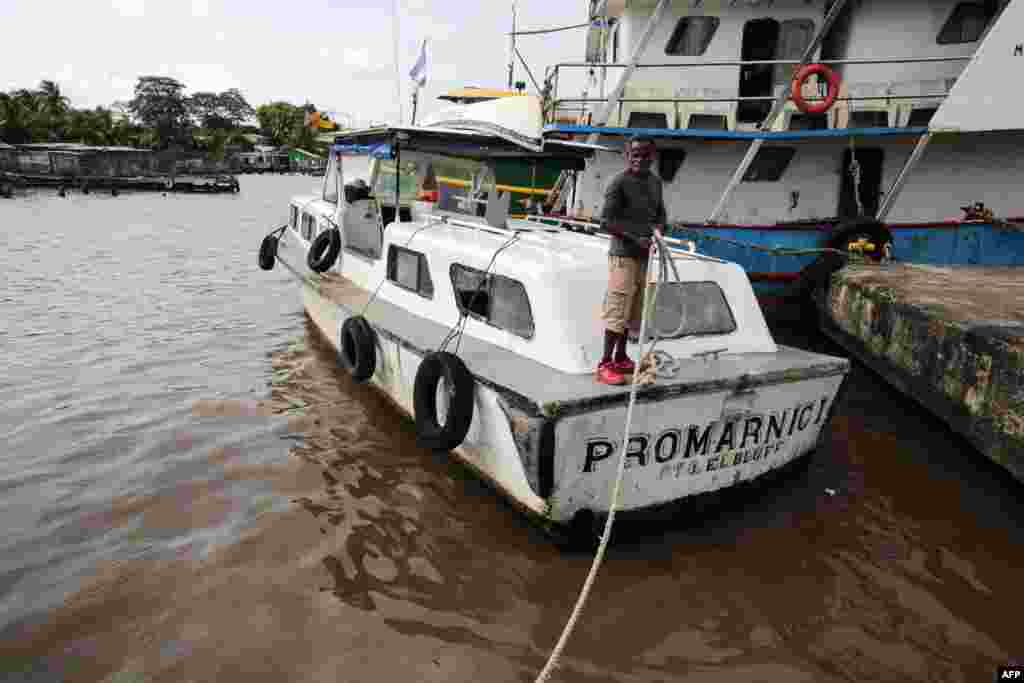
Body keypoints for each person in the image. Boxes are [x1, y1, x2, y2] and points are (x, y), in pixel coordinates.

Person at [596, 135, 666, 385]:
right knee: (618, 308)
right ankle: (605, 363)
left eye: (645, 154)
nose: (639, 159)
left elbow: (660, 215)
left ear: (652, 157)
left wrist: (658, 233)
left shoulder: (656, 183)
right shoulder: (619, 182)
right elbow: (605, 221)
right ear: (627, 156)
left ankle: (622, 356)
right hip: (623, 256)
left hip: (644, 256)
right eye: (634, 154)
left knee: (633, 310)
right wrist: (635, 239)